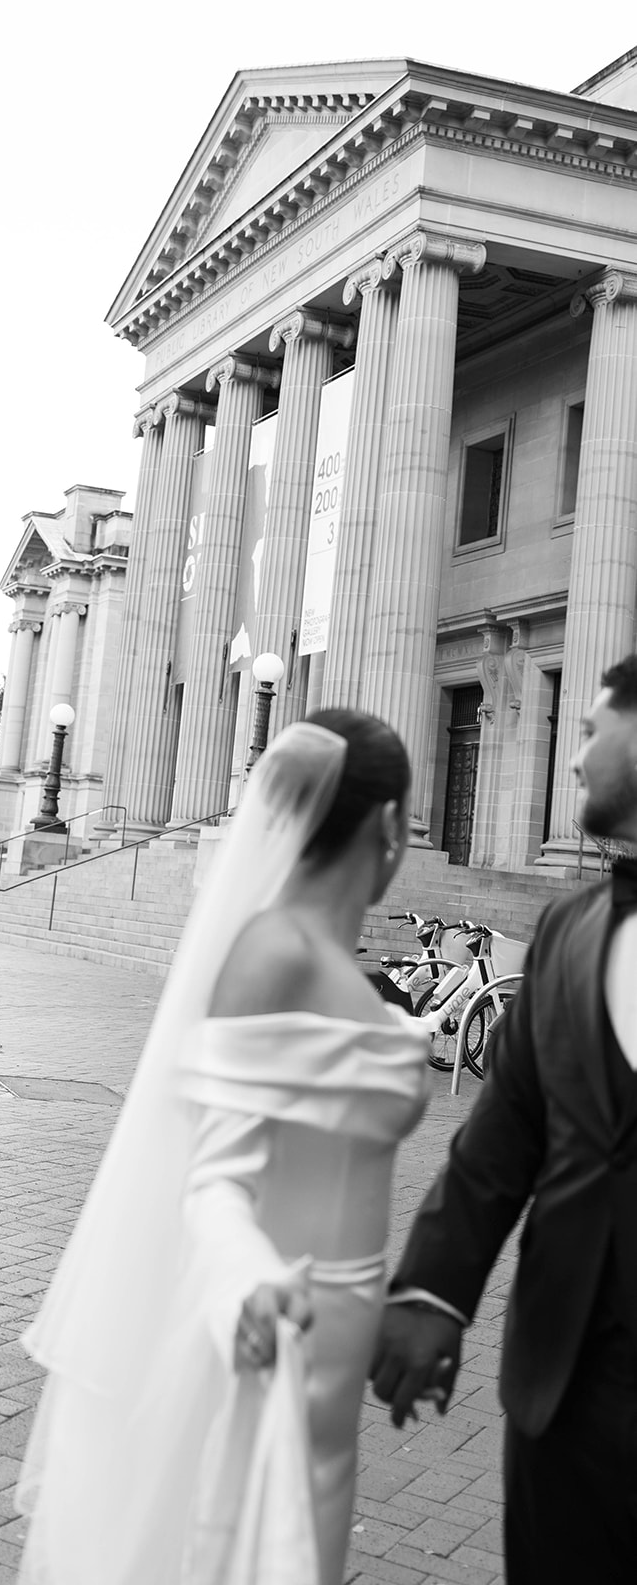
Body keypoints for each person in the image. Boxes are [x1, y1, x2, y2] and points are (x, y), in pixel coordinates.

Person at [15, 711, 431, 1585]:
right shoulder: (275, 951)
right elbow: (215, 1177)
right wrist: (248, 1281)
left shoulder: (336, 964)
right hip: (273, 1329)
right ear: (390, 823)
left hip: (338, 1339)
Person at [371, 654, 637, 1584]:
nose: (575, 758)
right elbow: (503, 1135)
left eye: (592, 730)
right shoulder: (569, 930)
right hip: (562, 1399)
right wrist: (431, 1291)